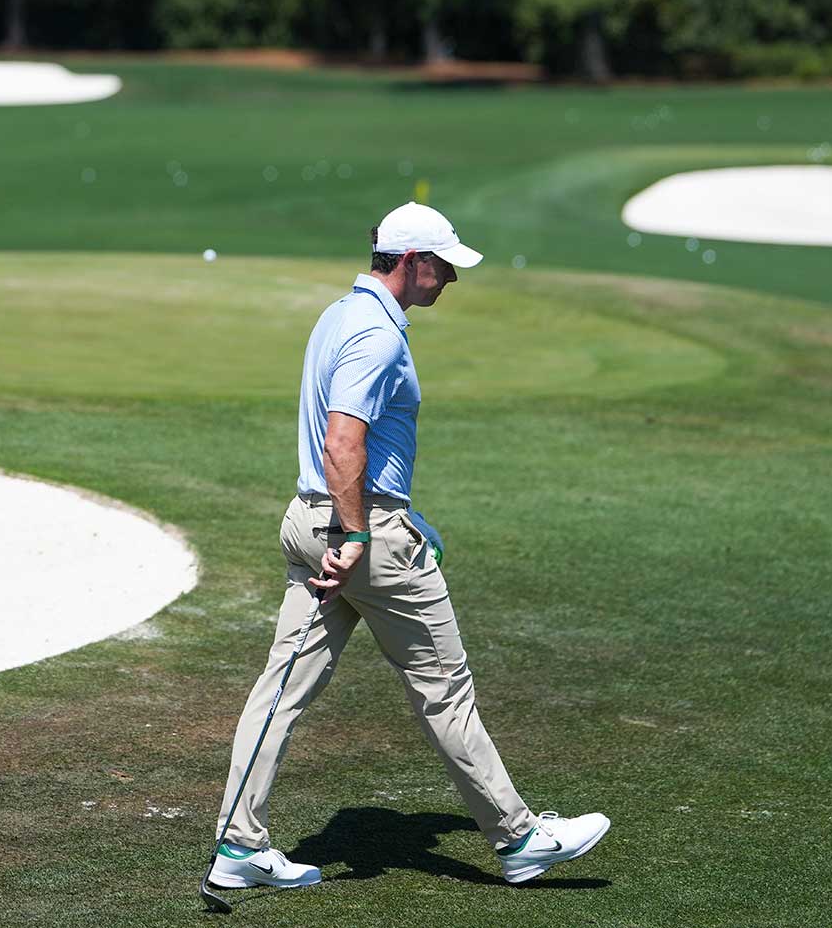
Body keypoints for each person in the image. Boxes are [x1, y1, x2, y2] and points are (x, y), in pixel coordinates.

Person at [207, 202, 609, 890]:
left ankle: (239, 848)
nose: (452, 277)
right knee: (444, 692)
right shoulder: (376, 334)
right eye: (445, 264)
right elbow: (343, 441)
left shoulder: (339, 315)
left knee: (281, 689)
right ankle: (518, 840)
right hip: (365, 538)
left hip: (309, 524)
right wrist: (363, 532)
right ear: (413, 260)